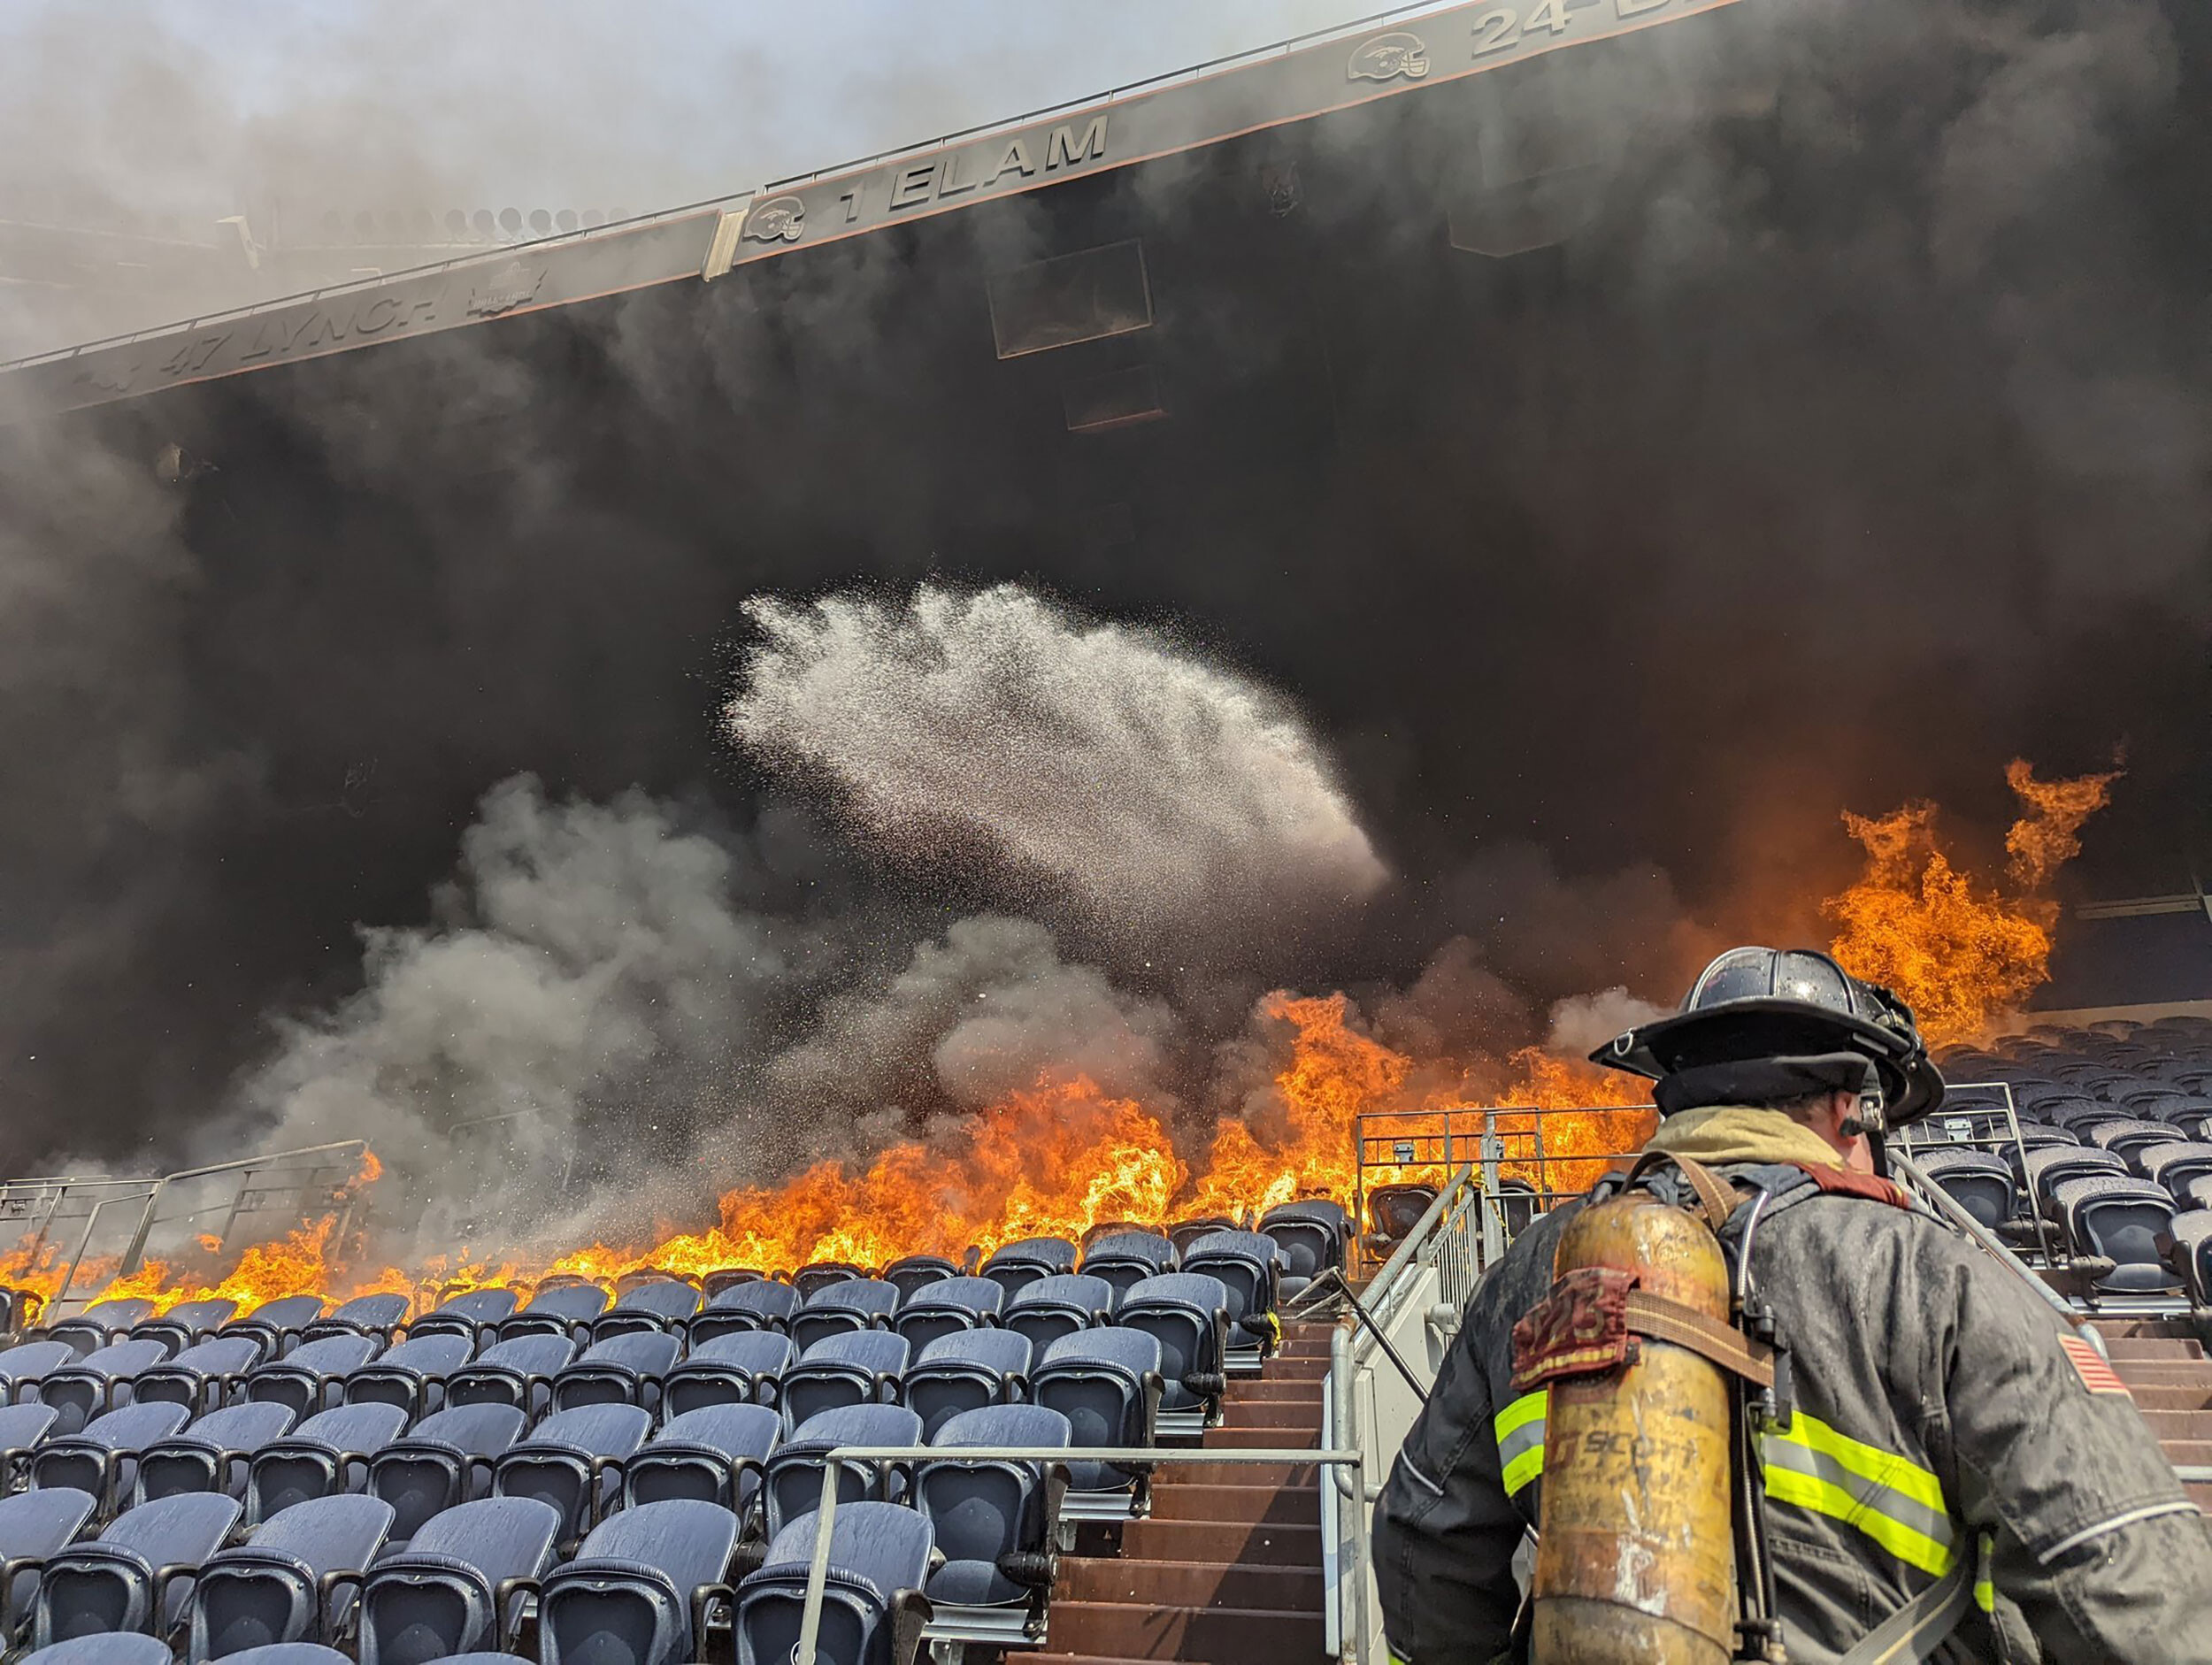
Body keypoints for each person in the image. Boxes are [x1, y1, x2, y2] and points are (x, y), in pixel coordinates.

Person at [1371, 946, 2212, 1664]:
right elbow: (2126, 1576)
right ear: (1855, 1108)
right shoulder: (1934, 1275)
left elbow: (1421, 1533)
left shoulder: (1534, 1270)